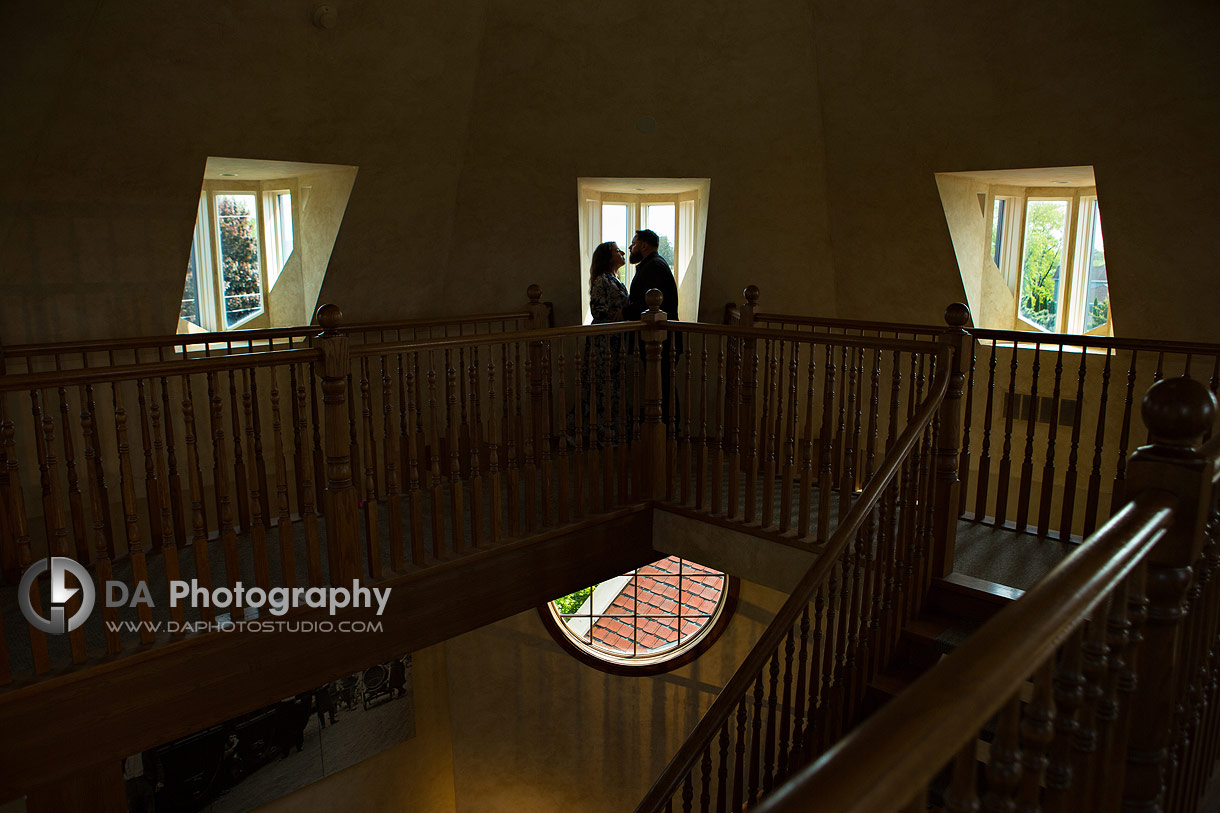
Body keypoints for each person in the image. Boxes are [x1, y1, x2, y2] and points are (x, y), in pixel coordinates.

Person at [621, 229, 681, 424]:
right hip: (660, 339)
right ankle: (667, 434)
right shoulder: (654, 264)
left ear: (644, 245)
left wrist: (623, 312)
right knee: (663, 386)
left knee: (663, 387)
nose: (630, 248)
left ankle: (667, 434)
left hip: (661, 339)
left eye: (633, 243)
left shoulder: (653, 267)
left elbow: (648, 303)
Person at [582, 241, 630, 445]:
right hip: (604, 341)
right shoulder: (602, 280)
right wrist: (618, 316)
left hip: (616, 340)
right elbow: (598, 311)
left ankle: (612, 431)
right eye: (616, 250)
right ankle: (601, 434)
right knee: (603, 385)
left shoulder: (614, 279)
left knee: (613, 385)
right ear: (607, 257)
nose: (621, 253)